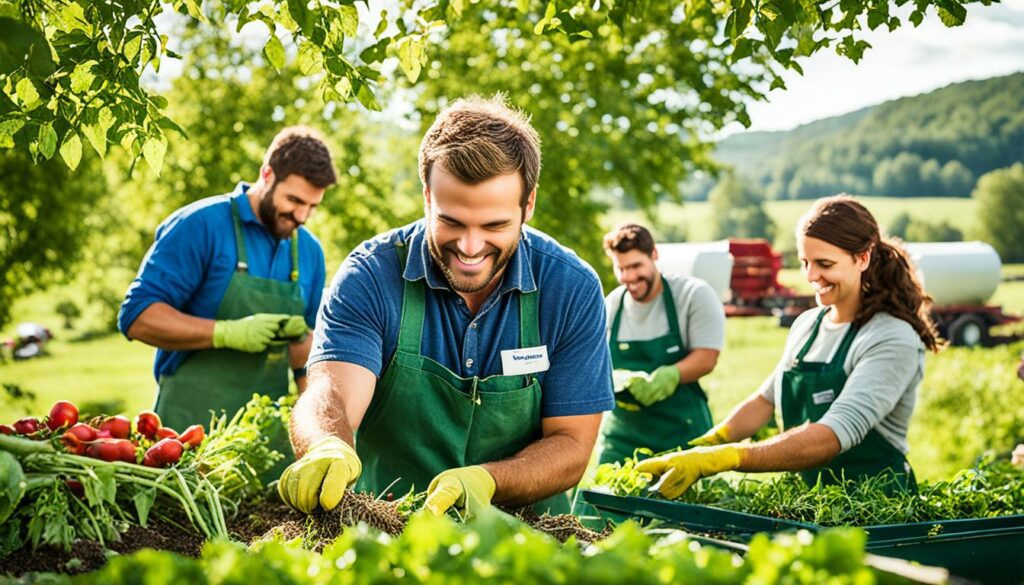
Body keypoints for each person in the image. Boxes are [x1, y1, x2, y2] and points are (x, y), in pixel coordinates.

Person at [276, 96, 615, 519]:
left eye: (494, 226)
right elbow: (333, 394)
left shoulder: (570, 288)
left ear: (528, 205)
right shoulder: (371, 276)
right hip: (385, 535)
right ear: (427, 196)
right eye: (452, 221)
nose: (470, 248)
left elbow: (571, 443)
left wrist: (488, 481)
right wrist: (326, 443)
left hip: (527, 542)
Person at [638, 195, 944, 498]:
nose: (811, 277)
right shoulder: (807, 325)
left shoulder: (891, 337)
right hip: (811, 505)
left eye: (824, 264)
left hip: (875, 510)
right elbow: (765, 400)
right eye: (805, 263)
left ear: (862, 258)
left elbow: (831, 436)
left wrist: (728, 458)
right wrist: (708, 443)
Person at [118, 127, 336, 477]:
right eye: (294, 201)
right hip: (185, 439)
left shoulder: (309, 251)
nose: (302, 216)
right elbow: (138, 316)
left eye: (312, 206)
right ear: (267, 175)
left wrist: (319, 440)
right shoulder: (201, 225)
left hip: (263, 447)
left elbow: (303, 359)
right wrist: (225, 333)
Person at [598, 223, 725, 464]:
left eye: (636, 266)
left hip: (680, 434)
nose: (629, 277)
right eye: (621, 268)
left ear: (654, 255)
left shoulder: (692, 295)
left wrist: (670, 375)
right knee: (598, 500)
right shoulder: (611, 306)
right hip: (622, 438)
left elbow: (708, 356)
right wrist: (617, 379)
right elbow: (594, 363)